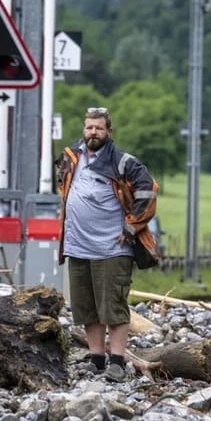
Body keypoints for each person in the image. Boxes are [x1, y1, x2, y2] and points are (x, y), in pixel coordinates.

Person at [56, 107, 161, 382]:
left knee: (113, 306)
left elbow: (149, 192)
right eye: (89, 127)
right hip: (78, 246)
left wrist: (131, 227)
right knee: (86, 307)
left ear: (109, 132)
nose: (93, 132)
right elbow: (63, 186)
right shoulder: (71, 157)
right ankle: (96, 360)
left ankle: (117, 362)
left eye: (99, 128)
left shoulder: (123, 162)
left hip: (112, 248)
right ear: (84, 129)